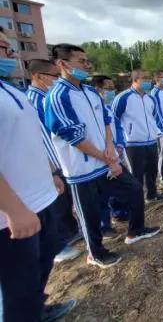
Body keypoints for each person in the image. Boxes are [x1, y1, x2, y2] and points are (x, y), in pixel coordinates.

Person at [45, 44, 161, 269]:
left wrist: (110, 147)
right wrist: (107, 158)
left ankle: (135, 230)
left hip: (106, 161)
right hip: (82, 170)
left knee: (135, 189)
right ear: (62, 64)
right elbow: (73, 137)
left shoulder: (90, 92)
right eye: (81, 61)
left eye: (86, 61)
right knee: (89, 214)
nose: (87, 65)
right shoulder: (58, 96)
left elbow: (107, 121)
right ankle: (95, 253)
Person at [1, 52, 77, 322]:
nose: (10, 55)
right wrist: (12, 209)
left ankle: (36, 310)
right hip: (13, 214)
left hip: (40, 197)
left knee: (42, 263)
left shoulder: (11, 91)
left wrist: (52, 171)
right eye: (3, 47)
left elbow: (33, 139)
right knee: (17, 284)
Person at [27, 59, 82, 263]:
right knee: (53, 205)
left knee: (64, 201)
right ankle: (58, 246)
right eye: (53, 75)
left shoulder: (47, 96)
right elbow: (38, 137)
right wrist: (50, 168)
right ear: (39, 76)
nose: (57, 79)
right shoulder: (32, 100)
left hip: (58, 160)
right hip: (46, 163)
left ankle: (70, 233)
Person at [113, 70, 163, 202]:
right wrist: (119, 141)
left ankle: (152, 194)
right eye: (145, 78)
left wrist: (159, 131)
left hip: (151, 141)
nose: (148, 81)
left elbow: (154, 117)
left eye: (149, 78)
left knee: (152, 170)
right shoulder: (123, 98)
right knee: (136, 174)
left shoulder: (150, 98)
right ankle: (136, 200)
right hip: (133, 144)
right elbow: (114, 119)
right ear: (135, 80)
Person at [91, 75, 130, 231]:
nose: (112, 91)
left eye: (112, 88)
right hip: (102, 157)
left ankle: (119, 212)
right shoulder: (93, 111)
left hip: (116, 154)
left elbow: (118, 127)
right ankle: (104, 225)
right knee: (103, 193)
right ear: (97, 89)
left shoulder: (108, 108)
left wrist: (120, 144)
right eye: (108, 88)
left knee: (117, 186)